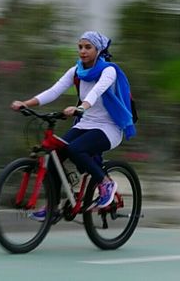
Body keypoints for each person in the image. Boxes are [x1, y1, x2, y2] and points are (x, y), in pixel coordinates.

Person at [11, 31, 136, 221]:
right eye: (80, 47)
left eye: (88, 47)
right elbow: (54, 91)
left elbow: (96, 92)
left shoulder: (108, 70)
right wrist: (26, 104)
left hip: (109, 128)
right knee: (54, 156)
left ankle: (106, 183)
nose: (83, 51)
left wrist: (81, 107)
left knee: (75, 149)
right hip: (85, 124)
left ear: (98, 49)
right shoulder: (76, 71)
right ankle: (53, 206)